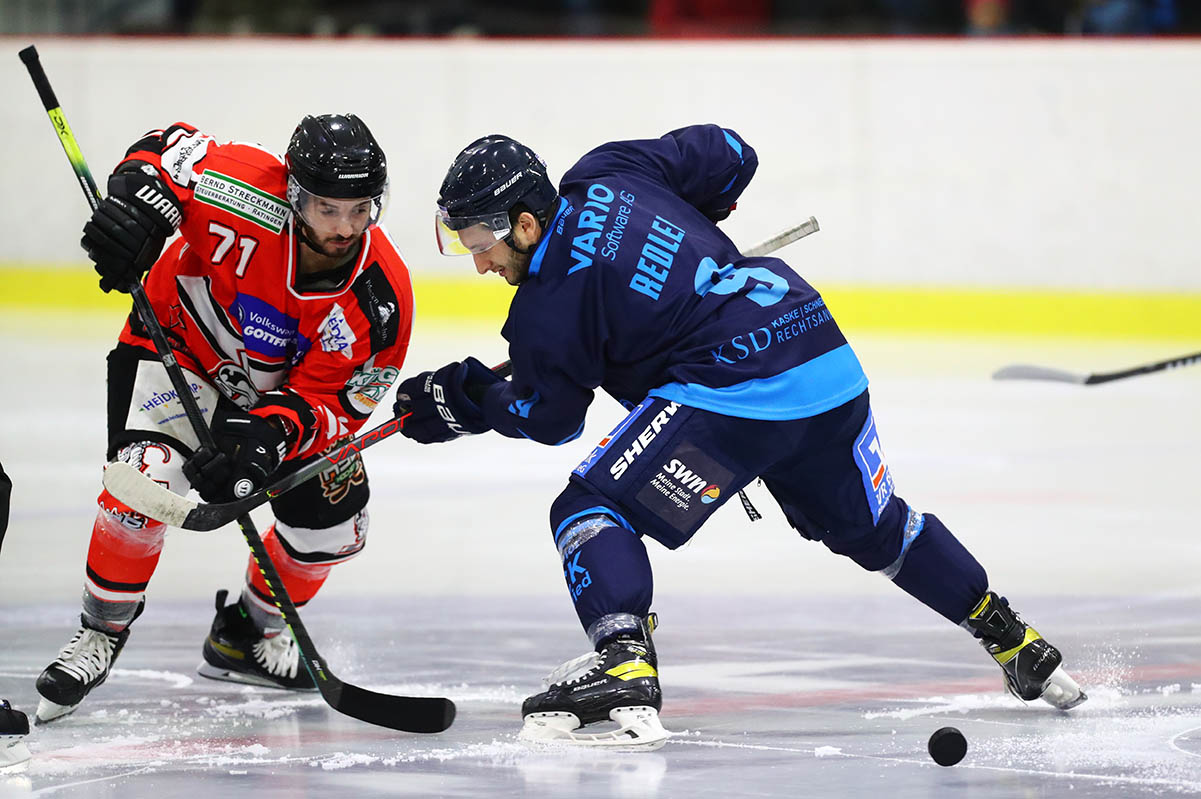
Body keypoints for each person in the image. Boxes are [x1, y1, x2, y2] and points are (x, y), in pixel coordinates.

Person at [393, 125, 1087, 749]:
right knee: (878, 530)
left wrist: (461, 399)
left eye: (480, 245)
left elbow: (549, 417)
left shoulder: (545, 308)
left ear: (521, 222)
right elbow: (731, 153)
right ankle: (1012, 639)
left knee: (584, 510)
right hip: (819, 352)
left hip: (734, 388)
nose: (479, 264)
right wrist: (699, 225)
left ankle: (625, 662)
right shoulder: (610, 170)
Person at [35, 115, 413, 723]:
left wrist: (268, 435)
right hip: (176, 351)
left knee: (333, 531)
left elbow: (340, 405)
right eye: (326, 209)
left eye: (360, 208)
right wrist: (134, 211)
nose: (345, 228)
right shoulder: (240, 187)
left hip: (273, 402)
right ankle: (102, 632)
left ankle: (248, 632)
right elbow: (160, 151)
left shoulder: (380, 297)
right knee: (141, 485)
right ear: (293, 194)